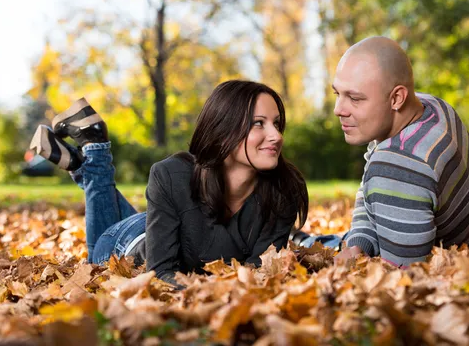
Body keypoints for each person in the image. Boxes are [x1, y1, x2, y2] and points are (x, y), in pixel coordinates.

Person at [29, 80, 308, 286]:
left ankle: (86, 161)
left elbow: (259, 273)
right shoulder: (172, 175)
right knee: (96, 263)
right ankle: (95, 149)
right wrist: (213, 291)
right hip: (129, 243)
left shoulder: (284, 190)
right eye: (259, 123)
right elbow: (159, 272)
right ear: (224, 131)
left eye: (277, 123)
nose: (276, 135)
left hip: (165, 221)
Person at [294, 36, 469, 268]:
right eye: (338, 94)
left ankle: (296, 237)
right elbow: (371, 191)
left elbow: (402, 276)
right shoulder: (433, 106)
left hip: (463, 256)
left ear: (397, 97)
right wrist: (358, 244)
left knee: (312, 247)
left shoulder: (400, 162)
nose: (338, 110)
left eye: (354, 98)